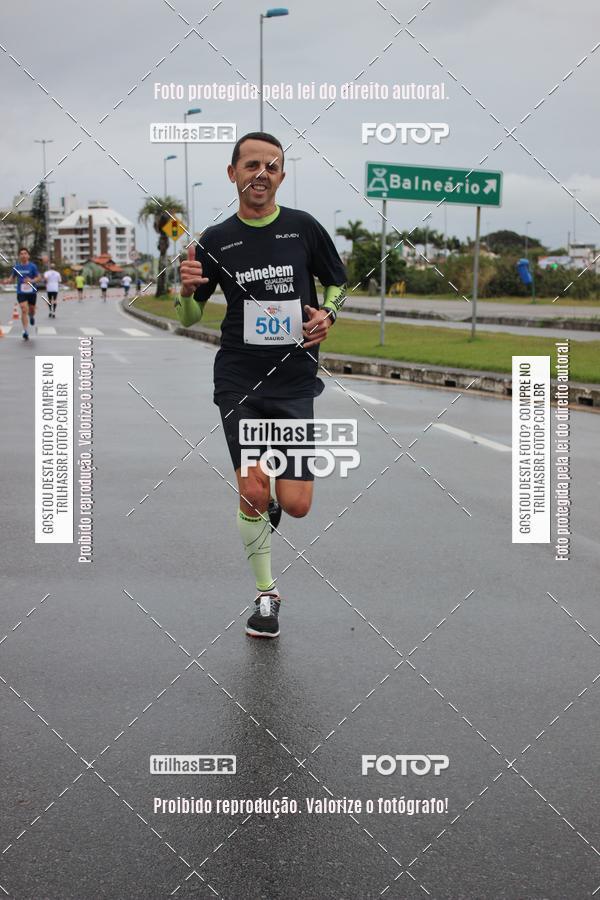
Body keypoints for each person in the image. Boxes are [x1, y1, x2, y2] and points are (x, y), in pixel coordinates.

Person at [177, 132, 346, 638]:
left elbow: (336, 282)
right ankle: (266, 596)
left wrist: (328, 315)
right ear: (233, 173)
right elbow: (188, 317)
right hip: (239, 379)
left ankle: (271, 503)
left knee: (295, 504)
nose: (261, 173)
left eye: (271, 166)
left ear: (281, 176)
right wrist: (185, 290)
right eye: (251, 164)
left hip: (295, 381)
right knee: (251, 489)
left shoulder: (303, 229)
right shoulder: (215, 239)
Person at [12, 247, 40, 341]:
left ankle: (31, 316)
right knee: (24, 309)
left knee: (31, 310)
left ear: (28, 255)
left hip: (31, 291)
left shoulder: (33, 266)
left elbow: (38, 277)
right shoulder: (17, 267)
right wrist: (6, 280)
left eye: (25, 253)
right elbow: (11, 278)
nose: (23, 255)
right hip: (21, 292)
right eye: (21, 254)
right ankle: (25, 331)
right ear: (19, 256)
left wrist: (31, 280)